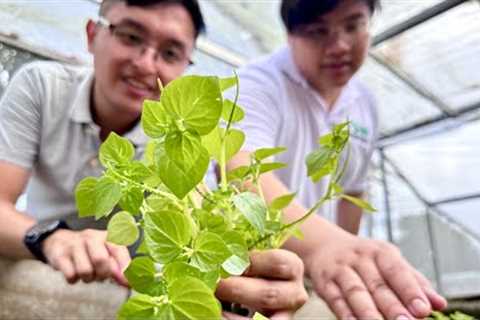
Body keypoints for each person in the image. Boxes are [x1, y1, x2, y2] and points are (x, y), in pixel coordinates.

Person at [0, 0, 307, 318]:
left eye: (170, 53)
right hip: (39, 263)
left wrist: (244, 284)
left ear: (187, 66)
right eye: (131, 37)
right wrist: (52, 236)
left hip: (136, 291)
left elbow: (195, 242)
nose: (146, 64)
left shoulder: (185, 141)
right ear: (93, 34)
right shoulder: (42, 87)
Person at [228, 0, 448, 319]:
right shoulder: (256, 84)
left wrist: (345, 252)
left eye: (353, 25)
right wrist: (323, 246)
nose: (340, 45)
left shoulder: (365, 103)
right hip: (256, 267)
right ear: (291, 35)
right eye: (318, 31)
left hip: (319, 266)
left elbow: (352, 193)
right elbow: (241, 169)